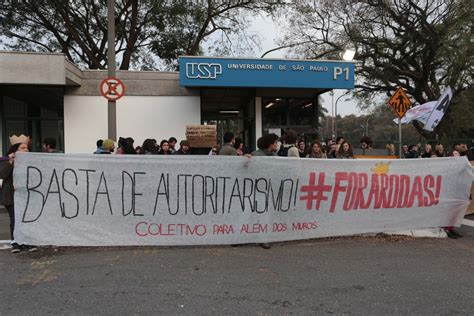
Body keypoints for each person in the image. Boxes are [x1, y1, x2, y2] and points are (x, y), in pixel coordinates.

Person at [0, 135, 37, 253]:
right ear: (15, 150)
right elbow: (3, 175)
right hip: (11, 195)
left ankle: (26, 241)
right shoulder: (6, 161)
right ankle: (15, 242)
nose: (25, 150)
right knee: (15, 219)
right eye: (22, 148)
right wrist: (10, 161)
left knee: (26, 219)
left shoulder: (30, 163)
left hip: (26, 195)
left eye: (27, 148)